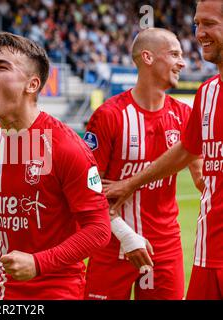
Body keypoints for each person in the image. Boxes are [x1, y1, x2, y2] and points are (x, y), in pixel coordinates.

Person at [0, 32, 111, 300]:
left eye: (2, 67)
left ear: (32, 84)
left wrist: (38, 263)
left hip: (56, 290)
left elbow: (98, 229)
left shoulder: (66, 146)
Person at [104, 0, 223, 300]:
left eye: (209, 24)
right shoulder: (207, 94)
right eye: (197, 23)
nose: (198, 33)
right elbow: (188, 151)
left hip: (170, 247)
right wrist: (129, 185)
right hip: (208, 254)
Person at [83, 28, 203, 300]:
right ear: (147, 57)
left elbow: (202, 179)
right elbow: (88, 192)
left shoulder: (184, 115)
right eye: (174, 54)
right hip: (112, 246)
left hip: (165, 249)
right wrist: (126, 236)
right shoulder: (109, 116)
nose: (182, 62)